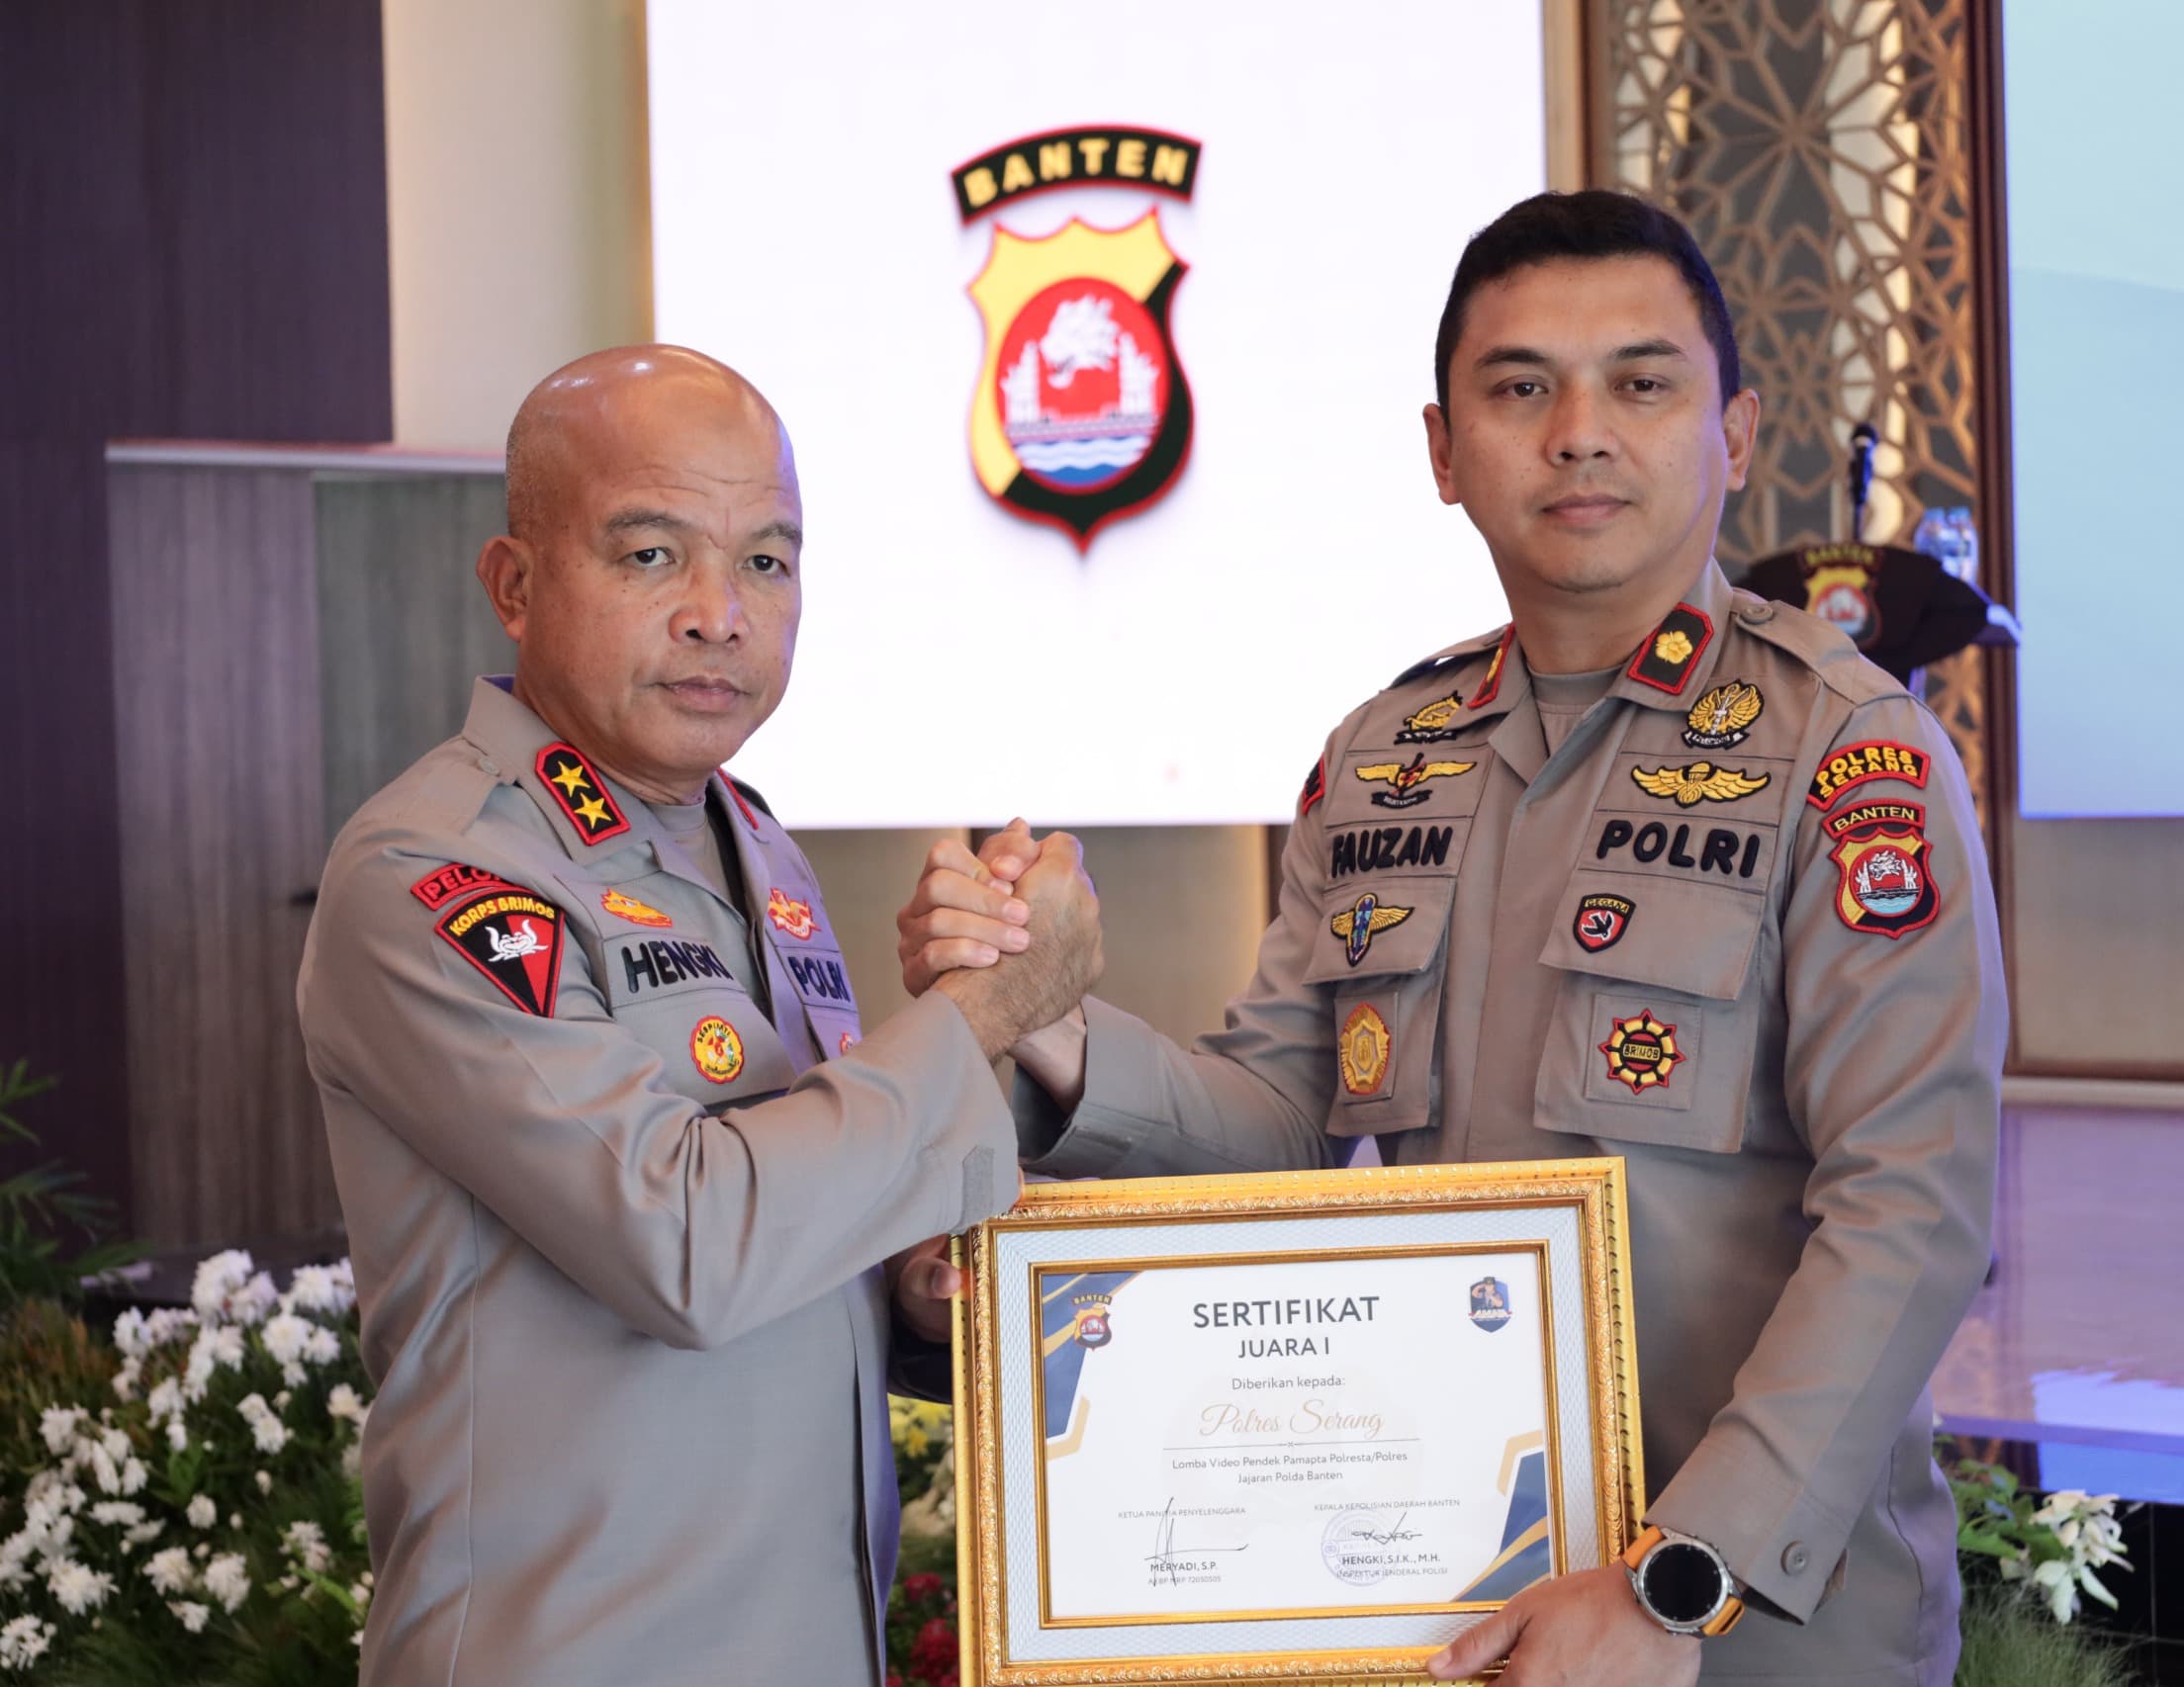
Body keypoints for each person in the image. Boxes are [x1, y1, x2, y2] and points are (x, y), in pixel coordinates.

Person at [896, 192, 2004, 1687]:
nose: (1580, 434)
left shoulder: (1848, 751)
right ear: (1443, 450)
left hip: (1751, 1623)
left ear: (1734, 434)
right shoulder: (1382, 758)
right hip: (1445, 1591)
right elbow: (1283, 1122)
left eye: (1642, 383)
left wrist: (1683, 1578)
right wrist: (1051, 1027)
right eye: (1521, 387)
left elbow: (1910, 1207)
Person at [298, 345, 1101, 1686]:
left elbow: (795, 1205)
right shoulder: (437, 869)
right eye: (652, 555)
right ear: (515, 584)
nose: (720, 614)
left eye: (767, 562)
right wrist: (989, 1008)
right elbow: (687, 1242)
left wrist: (910, 1282)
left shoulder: (753, 840)